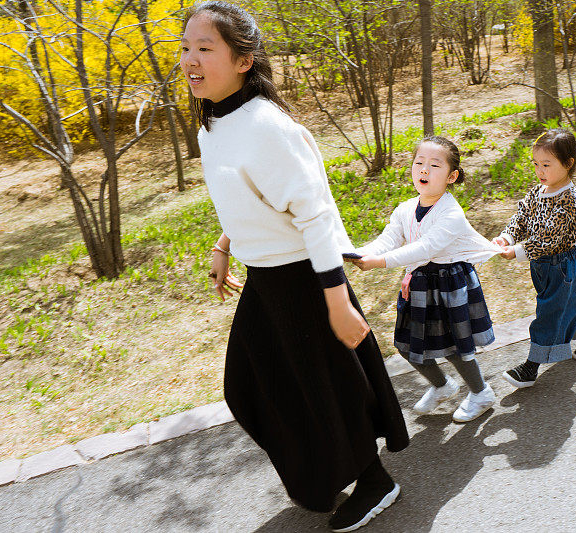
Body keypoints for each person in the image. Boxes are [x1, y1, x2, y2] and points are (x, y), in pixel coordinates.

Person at [180, 3, 408, 531]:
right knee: (251, 385)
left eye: (206, 48)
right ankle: (324, 469)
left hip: (304, 278)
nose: (191, 60)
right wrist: (223, 244)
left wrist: (336, 302)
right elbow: (252, 197)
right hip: (265, 276)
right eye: (186, 48)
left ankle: (374, 481)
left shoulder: (266, 126)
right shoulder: (213, 121)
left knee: (326, 386)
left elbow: (316, 216)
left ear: (244, 59)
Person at [350, 136, 501, 423]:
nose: (424, 170)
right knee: (406, 345)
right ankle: (443, 386)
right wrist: (357, 253)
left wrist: (377, 263)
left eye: (434, 165)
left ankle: (481, 392)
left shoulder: (452, 213)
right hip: (419, 284)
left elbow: (425, 248)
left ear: (451, 176)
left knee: (455, 347)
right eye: (419, 162)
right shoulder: (405, 209)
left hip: (450, 284)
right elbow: (388, 240)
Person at [492, 128, 576, 388]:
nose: (540, 171)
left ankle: (531, 366)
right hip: (545, 265)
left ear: (568, 164)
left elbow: (550, 237)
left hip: (564, 264)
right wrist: (507, 237)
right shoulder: (539, 191)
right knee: (570, 303)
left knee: (551, 312)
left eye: (546, 165)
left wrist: (517, 252)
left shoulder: (568, 199)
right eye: (536, 164)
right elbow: (522, 215)